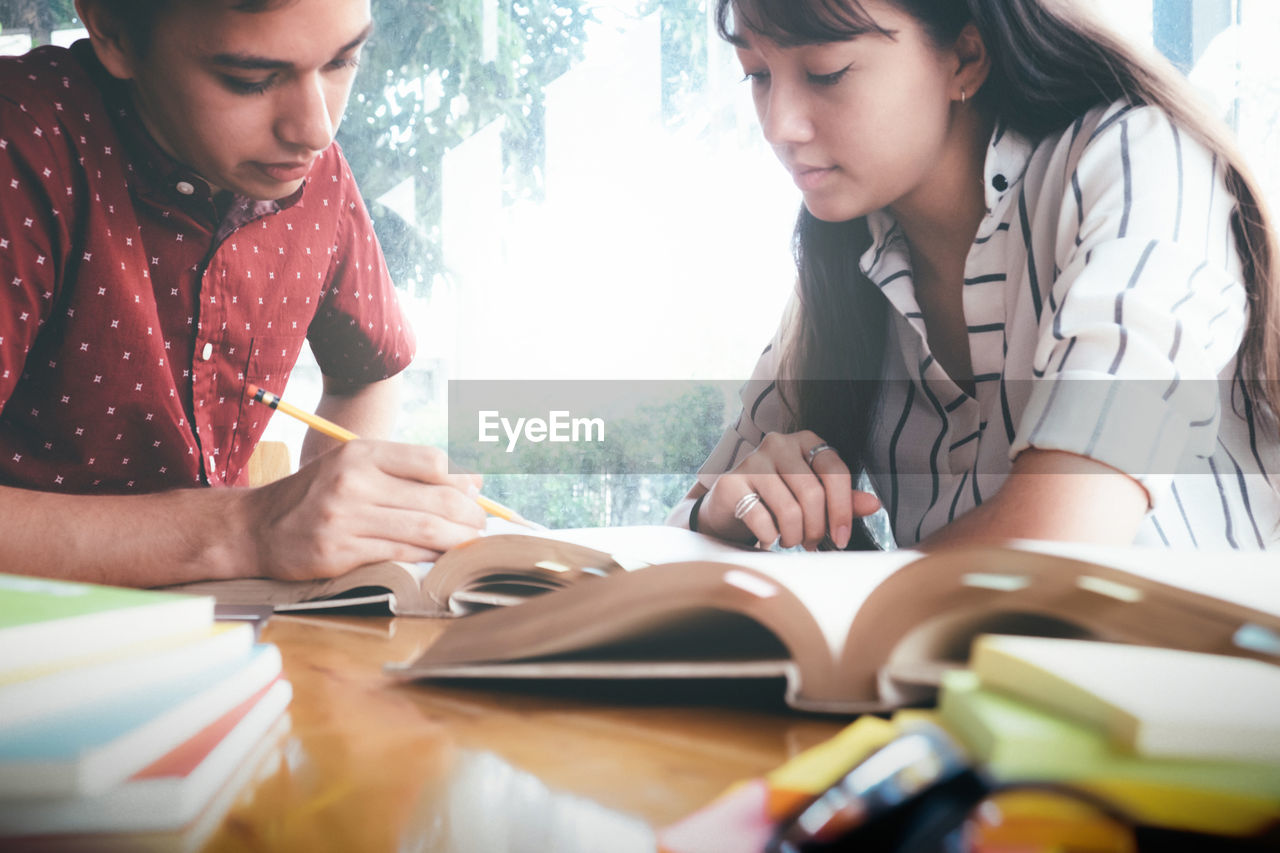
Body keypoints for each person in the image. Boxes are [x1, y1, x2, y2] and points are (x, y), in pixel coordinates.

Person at [671, 0, 1280, 551]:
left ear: (965, 57)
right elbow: (672, 543)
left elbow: (1061, 537)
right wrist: (724, 514)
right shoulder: (848, 274)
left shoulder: (1136, 162)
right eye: (757, 74)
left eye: (826, 72)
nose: (780, 125)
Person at [0, 0, 486, 587]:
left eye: (343, 61)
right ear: (112, 29)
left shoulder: (313, 169)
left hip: (225, 631)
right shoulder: (21, 141)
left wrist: (338, 534)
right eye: (250, 81)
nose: (316, 130)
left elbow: (370, 370)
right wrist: (248, 530)